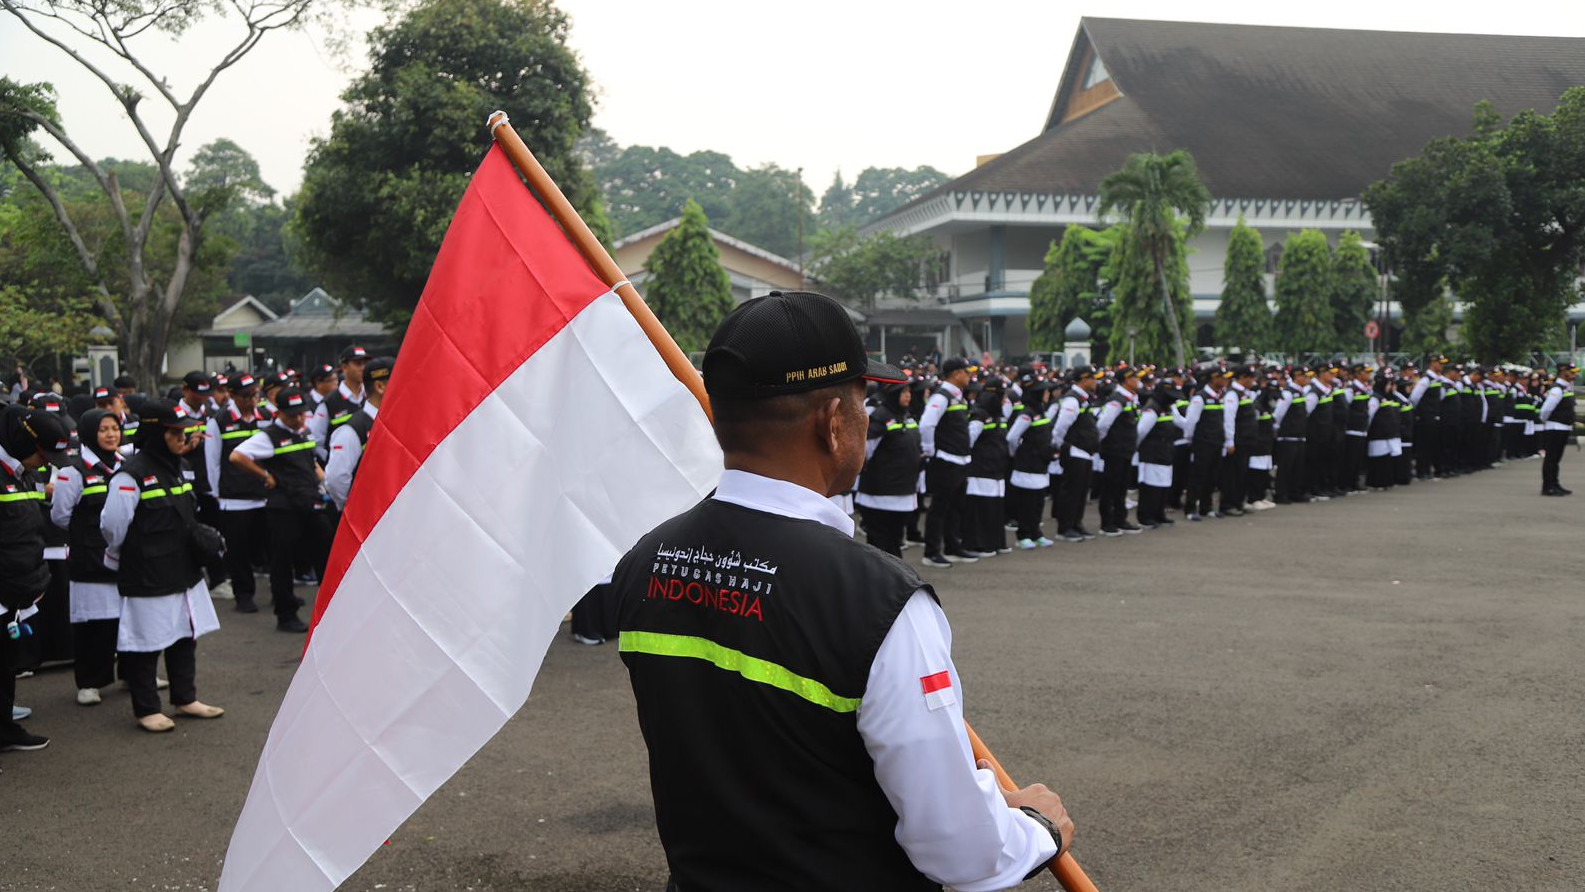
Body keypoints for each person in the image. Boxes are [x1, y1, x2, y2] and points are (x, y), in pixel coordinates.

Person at [611, 290, 1071, 891]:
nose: (866, 419)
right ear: (833, 423)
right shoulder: (878, 603)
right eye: (861, 403)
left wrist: (984, 804)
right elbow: (960, 851)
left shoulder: (647, 561)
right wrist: (1038, 827)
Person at [100, 400, 224, 733]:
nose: (183, 437)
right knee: (145, 642)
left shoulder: (178, 465)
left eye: (184, 431)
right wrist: (120, 555)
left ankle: (185, 697)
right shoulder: (130, 474)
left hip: (183, 568)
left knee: (186, 634)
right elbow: (113, 525)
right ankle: (146, 708)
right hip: (148, 571)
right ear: (156, 433)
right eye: (175, 432)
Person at [1, 404, 70, 756]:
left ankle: (4, 728)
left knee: (6, 663)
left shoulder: (18, 471)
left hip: (16, 591)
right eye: (42, 453)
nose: (45, 462)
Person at [228, 387, 328, 632]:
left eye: (301, 414)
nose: (298, 419)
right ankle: (286, 614)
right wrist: (264, 475)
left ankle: (331, 609)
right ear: (279, 413)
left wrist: (323, 479)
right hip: (283, 508)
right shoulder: (269, 436)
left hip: (310, 502)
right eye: (292, 415)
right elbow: (237, 456)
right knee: (282, 562)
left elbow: (311, 461)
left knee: (326, 551)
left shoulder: (304, 431)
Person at [49, 409, 124, 705]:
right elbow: (60, 516)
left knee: (126, 620)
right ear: (90, 433)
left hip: (122, 557)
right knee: (93, 624)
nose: (111, 434)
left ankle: (133, 674)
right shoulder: (73, 472)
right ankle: (90, 682)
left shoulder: (126, 466)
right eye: (104, 429)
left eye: (115, 428)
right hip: (89, 561)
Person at [206, 373, 273, 613]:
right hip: (234, 499)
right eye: (246, 396)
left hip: (264, 494)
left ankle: (278, 592)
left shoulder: (265, 417)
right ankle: (244, 594)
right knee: (239, 550)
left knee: (272, 547)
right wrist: (219, 494)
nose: (252, 401)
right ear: (232, 395)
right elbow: (212, 461)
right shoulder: (219, 421)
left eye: (255, 395)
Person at [918, 358, 978, 568]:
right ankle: (932, 551)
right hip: (946, 459)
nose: (969, 377)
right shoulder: (942, 396)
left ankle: (953, 546)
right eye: (966, 372)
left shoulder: (957, 396)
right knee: (940, 508)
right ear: (955, 374)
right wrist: (930, 450)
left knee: (956, 506)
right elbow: (926, 424)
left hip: (960, 459)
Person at [855, 381, 921, 558]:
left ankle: (896, 581)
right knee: (880, 544)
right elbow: (865, 451)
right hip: (879, 493)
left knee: (895, 540)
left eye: (909, 392)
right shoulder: (880, 416)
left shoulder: (907, 415)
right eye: (903, 392)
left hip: (903, 491)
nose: (908, 395)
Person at [325, 357, 392, 511]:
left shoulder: (396, 423)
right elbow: (336, 478)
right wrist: (352, 508)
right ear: (380, 386)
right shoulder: (352, 430)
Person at [1051, 365, 1100, 540]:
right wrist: (1060, 445)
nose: (1096, 382)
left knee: (1080, 492)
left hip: (1085, 451)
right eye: (1093, 378)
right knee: (1071, 491)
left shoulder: (1084, 398)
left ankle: (1076, 523)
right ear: (1084, 380)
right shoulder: (1073, 400)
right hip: (1075, 450)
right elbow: (1060, 428)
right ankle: (1065, 528)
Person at [1094, 365, 1142, 534]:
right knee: (1111, 486)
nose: (1138, 381)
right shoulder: (1117, 400)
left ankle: (1120, 519)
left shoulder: (1130, 398)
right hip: (1115, 449)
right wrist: (1101, 444)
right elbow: (1103, 424)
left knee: (1122, 486)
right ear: (1127, 380)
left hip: (1125, 448)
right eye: (1135, 378)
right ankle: (1107, 522)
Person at [1537, 361, 1577, 496]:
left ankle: (1554, 483)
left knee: (1556, 459)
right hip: (1555, 427)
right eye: (1571, 372)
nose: (1574, 375)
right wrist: (1547, 422)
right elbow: (1545, 410)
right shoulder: (1557, 389)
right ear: (1563, 372)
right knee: (1551, 458)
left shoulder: (1566, 388)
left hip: (1563, 427)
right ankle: (1548, 486)